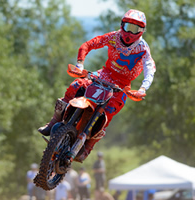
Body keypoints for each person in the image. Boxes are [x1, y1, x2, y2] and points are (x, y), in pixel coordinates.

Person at [38, 9, 156, 163]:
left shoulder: (143, 49)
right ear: (122, 25)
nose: (130, 32)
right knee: (76, 85)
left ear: (142, 31)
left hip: (122, 85)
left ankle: (87, 147)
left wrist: (142, 89)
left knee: (109, 112)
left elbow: (150, 68)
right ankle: (54, 121)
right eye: (128, 27)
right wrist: (80, 65)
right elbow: (88, 44)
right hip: (104, 74)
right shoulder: (114, 37)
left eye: (136, 29)